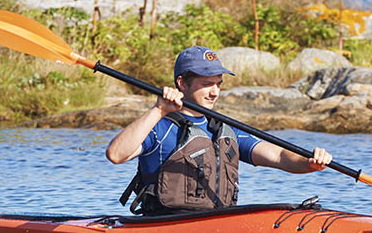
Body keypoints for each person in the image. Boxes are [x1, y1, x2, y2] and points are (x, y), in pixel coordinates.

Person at [106, 45, 333, 214]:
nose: (215, 92)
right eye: (207, 84)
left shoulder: (226, 130)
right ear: (182, 83)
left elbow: (280, 156)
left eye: (218, 84)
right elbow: (116, 155)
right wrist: (158, 109)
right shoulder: (160, 127)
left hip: (217, 222)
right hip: (164, 226)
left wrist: (309, 163)